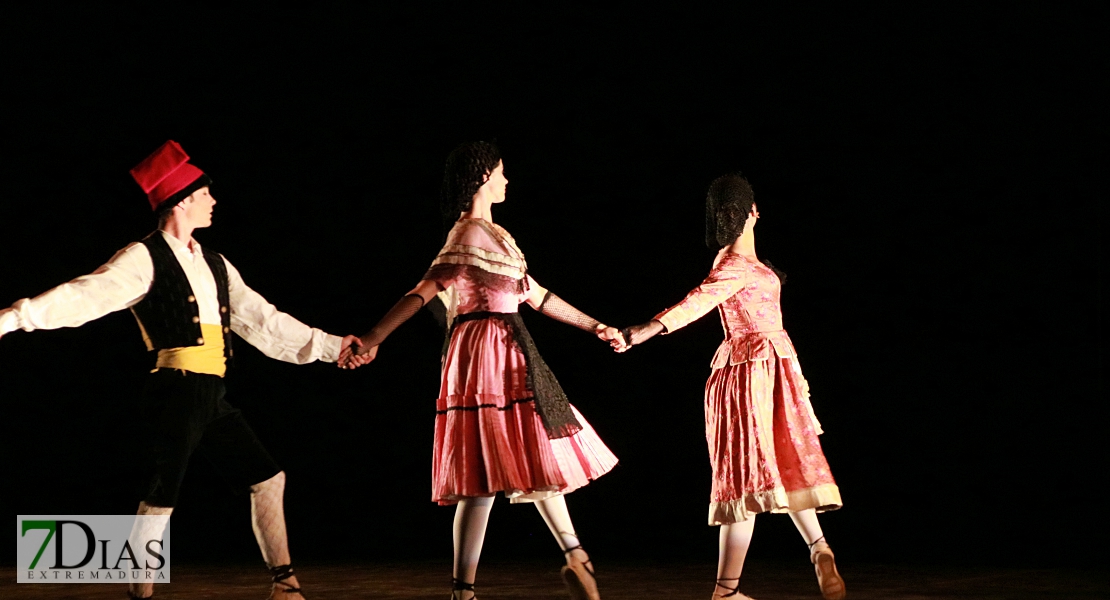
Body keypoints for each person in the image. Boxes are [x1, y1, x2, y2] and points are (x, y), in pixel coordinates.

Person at [0, 140, 362, 600]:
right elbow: (85, 295)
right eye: (206, 194)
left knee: (267, 478)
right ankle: (140, 592)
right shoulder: (143, 256)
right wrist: (14, 318)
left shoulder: (215, 263)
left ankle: (285, 583)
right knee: (162, 492)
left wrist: (333, 347)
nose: (213, 201)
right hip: (177, 388)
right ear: (183, 199)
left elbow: (264, 321)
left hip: (211, 392)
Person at [340, 141, 619, 600]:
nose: (507, 181)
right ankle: (471, 587)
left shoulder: (500, 235)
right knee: (483, 476)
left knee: (535, 454)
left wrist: (595, 326)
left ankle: (572, 557)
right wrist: (374, 337)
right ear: (483, 177)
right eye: (502, 173)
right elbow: (423, 291)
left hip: (512, 349)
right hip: (484, 352)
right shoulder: (466, 232)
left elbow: (538, 295)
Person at [613, 173, 846, 600]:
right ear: (754, 212)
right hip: (772, 365)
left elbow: (697, 301)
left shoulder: (737, 264)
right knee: (780, 459)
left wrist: (642, 331)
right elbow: (697, 302)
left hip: (751, 372)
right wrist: (644, 330)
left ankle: (728, 589)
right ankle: (818, 547)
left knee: (749, 474)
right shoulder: (745, 267)